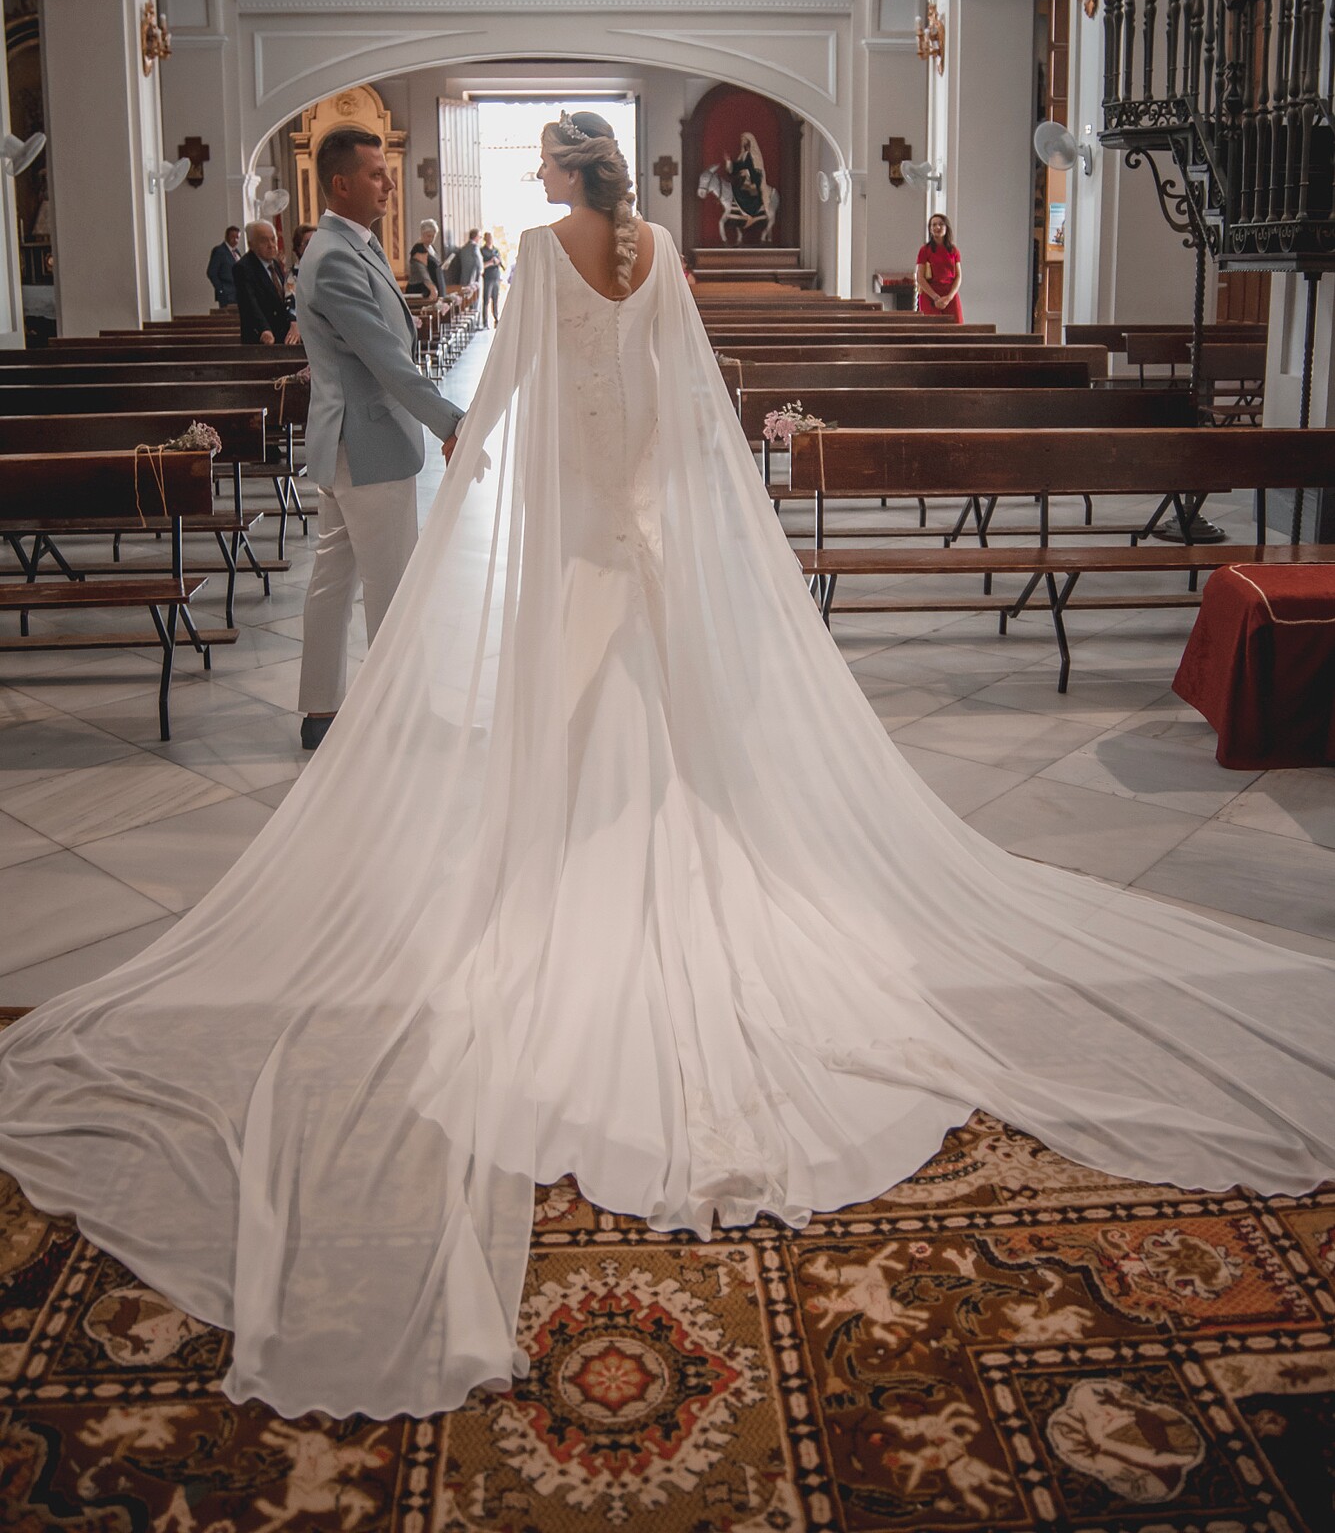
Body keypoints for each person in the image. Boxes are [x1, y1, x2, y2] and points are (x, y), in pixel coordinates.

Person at [0, 108, 1331, 1424]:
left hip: (578, 522)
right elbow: (688, 409)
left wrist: (467, 473)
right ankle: (663, 847)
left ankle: (574, 868)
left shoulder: (537, 251)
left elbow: (510, 390)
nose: (531, 180)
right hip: (640, 519)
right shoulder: (662, 258)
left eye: (538, 164)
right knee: (653, 709)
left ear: (564, 173)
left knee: (574, 710)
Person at [292, 126, 466, 753]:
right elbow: (387, 361)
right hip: (367, 444)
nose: (389, 183)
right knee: (391, 586)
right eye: (375, 173)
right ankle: (401, 714)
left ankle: (320, 711)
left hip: (350, 442)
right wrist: (453, 421)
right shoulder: (336, 256)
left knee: (334, 578)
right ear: (341, 184)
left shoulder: (347, 246)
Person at [234, 219, 300, 345]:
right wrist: (264, 329)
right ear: (251, 244)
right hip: (262, 339)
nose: (271, 245)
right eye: (264, 240)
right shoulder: (243, 267)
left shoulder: (275, 263)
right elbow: (249, 303)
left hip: (283, 335)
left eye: (273, 239)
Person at [916, 210, 964, 321]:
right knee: (932, 329)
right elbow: (920, 277)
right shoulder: (925, 250)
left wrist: (949, 297)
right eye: (934, 225)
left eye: (941, 224)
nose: (937, 227)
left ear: (946, 228)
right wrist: (936, 298)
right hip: (930, 293)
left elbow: (958, 276)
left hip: (949, 293)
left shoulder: (954, 250)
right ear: (930, 229)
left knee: (957, 327)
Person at [206, 224, 241, 306]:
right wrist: (221, 289)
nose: (235, 240)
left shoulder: (236, 252)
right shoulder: (220, 251)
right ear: (226, 237)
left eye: (237, 237)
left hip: (238, 294)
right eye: (233, 237)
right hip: (227, 294)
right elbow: (211, 272)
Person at [480, 230, 503, 326]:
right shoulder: (482, 251)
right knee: (486, 299)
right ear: (485, 239)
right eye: (488, 238)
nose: (490, 240)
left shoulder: (496, 250)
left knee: (496, 299)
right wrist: (490, 262)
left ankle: (496, 319)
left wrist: (498, 261)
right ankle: (485, 321)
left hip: (496, 277)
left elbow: (501, 262)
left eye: (491, 238)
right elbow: (481, 265)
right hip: (488, 277)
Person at [419, 217, 446, 294]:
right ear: (422, 234)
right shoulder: (419, 249)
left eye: (433, 236)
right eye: (429, 236)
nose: (431, 239)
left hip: (439, 282)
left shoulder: (431, 247)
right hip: (429, 289)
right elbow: (421, 271)